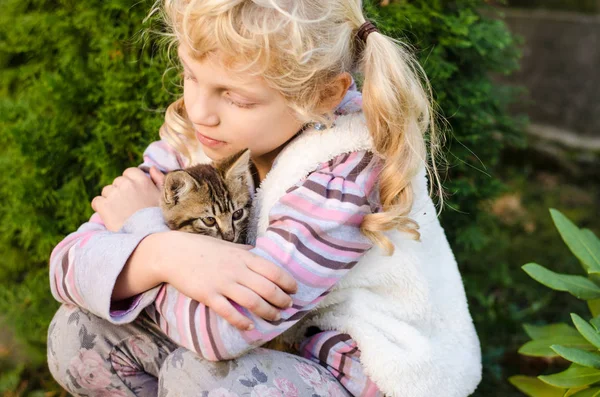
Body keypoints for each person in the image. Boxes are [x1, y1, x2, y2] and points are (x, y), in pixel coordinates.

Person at [47, 1, 482, 396]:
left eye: (236, 97)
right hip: (270, 354)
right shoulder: (201, 143)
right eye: (191, 75)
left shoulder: (347, 170)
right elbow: (66, 266)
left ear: (322, 95)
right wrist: (160, 252)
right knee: (76, 331)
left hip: (362, 372)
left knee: (204, 375)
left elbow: (221, 332)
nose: (199, 110)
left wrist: (149, 240)